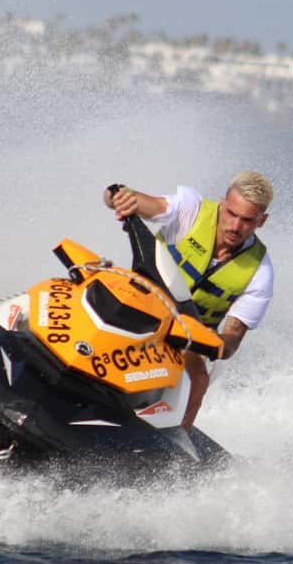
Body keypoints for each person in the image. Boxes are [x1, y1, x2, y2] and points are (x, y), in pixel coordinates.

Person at [104, 171, 274, 429]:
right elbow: (135, 201)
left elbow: (232, 340)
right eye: (231, 214)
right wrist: (117, 196)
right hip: (139, 304)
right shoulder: (190, 209)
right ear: (222, 203)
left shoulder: (260, 272)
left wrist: (211, 341)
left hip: (184, 339)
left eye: (247, 220)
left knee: (199, 378)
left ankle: (175, 447)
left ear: (261, 221)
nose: (235, 226)